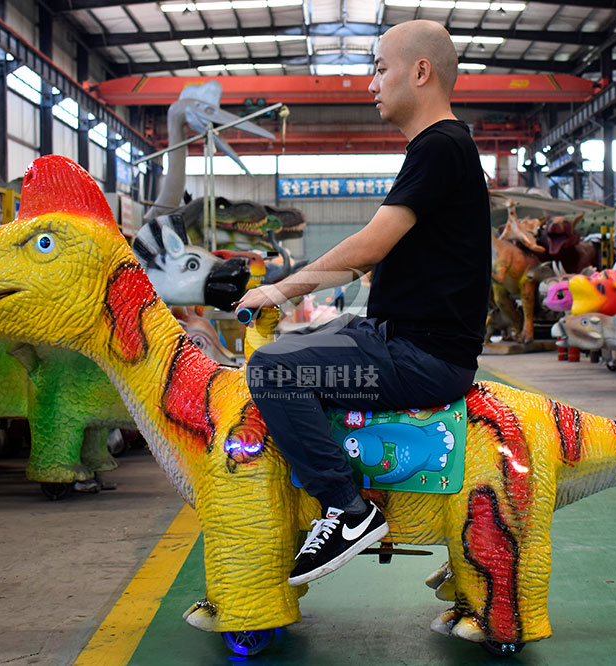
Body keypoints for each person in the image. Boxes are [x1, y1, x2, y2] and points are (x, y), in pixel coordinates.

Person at [234, 19, 491, 587]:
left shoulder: (440, 147)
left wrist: (279, 289)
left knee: (273, 370)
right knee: (301, 344)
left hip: (422, 357)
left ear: (420, 72)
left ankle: (347, 509)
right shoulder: (442, 147)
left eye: (379, 68)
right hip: (400, 338)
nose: (370, 84)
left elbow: (367, 247)